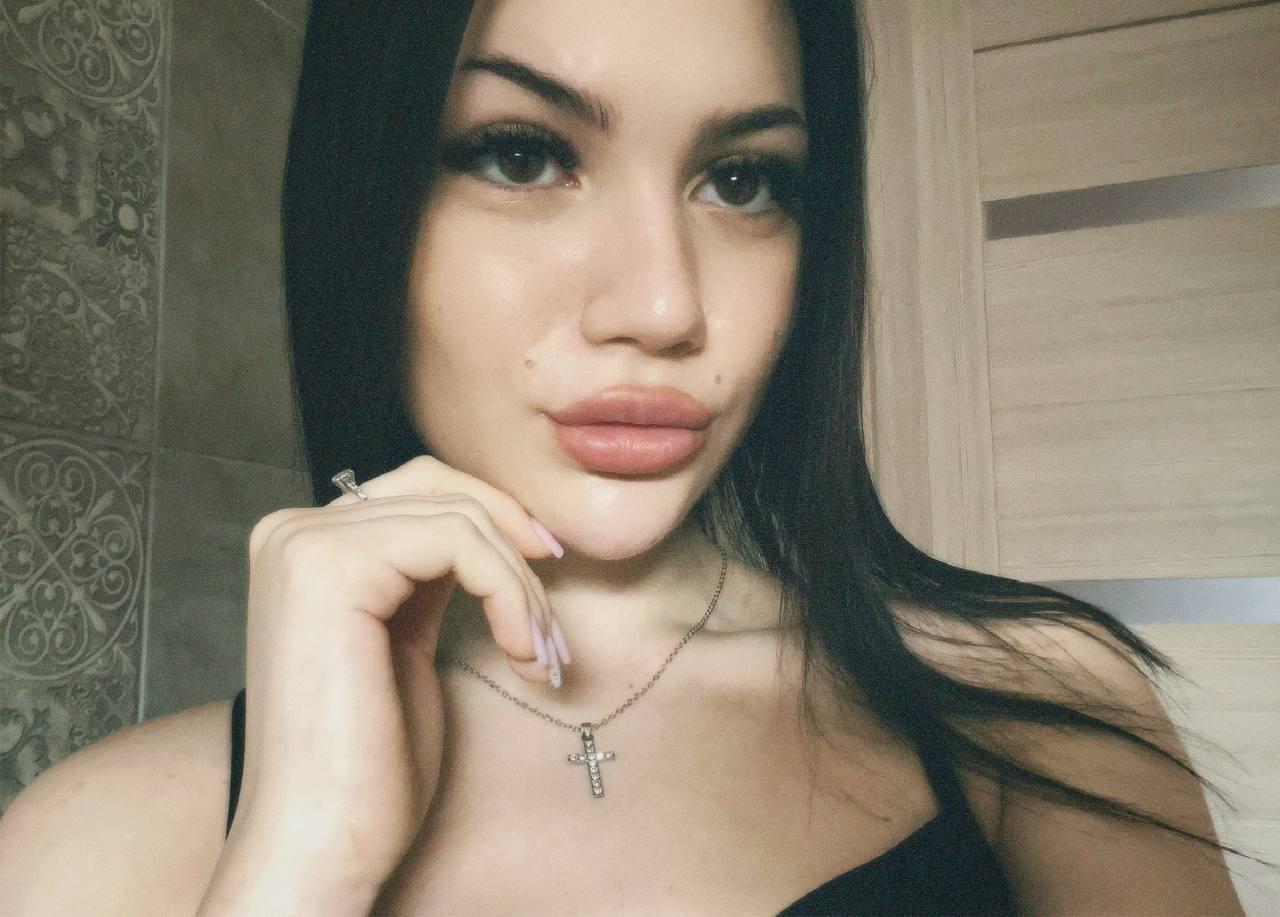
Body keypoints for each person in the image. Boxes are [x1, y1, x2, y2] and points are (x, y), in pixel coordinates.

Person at [0, 0, 1255, 914]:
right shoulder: (100, 842)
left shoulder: (1036, 710)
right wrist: (297, 865)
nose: (662, 306)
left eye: (742, 180)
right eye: (522, 154)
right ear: (362, 192)